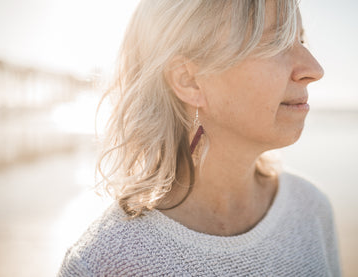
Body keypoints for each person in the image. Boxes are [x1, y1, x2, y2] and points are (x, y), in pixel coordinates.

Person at [58, 0, 341, 276]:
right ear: (189, 81)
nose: (314, 70)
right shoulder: (102, 262)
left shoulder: (311, 209)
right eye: (275, 43)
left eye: (301, 41)